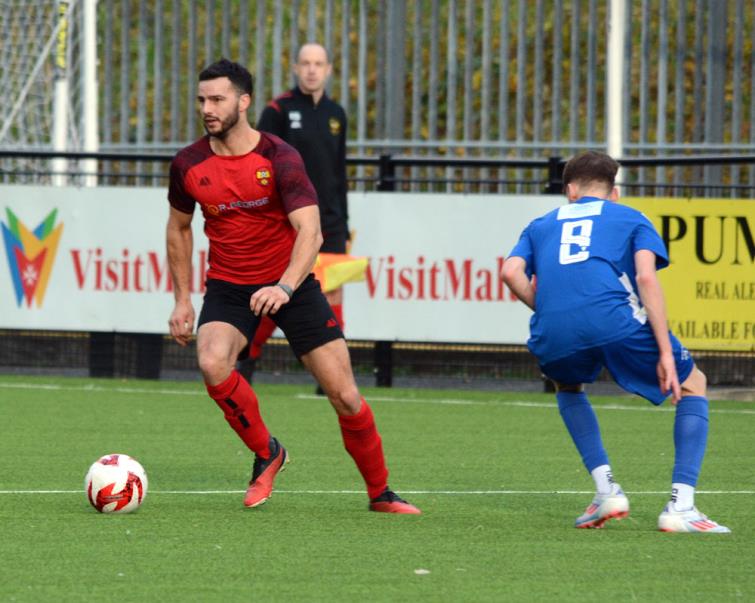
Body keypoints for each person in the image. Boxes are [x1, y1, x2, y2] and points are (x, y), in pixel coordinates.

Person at [166, 58, 420, 515]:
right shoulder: (188, 163)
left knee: (344, 395)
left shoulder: (279, 157)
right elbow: (178, 228)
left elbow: (311, 232)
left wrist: (284, 287)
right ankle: (268, 453)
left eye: (218, 99)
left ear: (244, 102)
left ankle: (381, 492)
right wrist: (182, 299)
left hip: (293, 285)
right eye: (202, 99)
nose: (207, 108)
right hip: (229, 286)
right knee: (211, 361)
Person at [501, 151, 730, 533]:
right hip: (614, 321)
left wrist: (547, 309)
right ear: (614, 192)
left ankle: (606, 490)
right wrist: (665, 353)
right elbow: (646, 279)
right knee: (693, 384)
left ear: (570, 191)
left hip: (552, 328)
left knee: (567, 385)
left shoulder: (540, 224)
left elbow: (510, 272)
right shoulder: (631, 217)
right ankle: (682, 507)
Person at [237, 42, 348, 385]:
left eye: (318, 63)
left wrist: (343, 224)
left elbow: (339, 173)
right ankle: (248, 355)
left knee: (333, 296)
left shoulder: (336, 114)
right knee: (281, 294)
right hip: (289, 222)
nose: (312, 69)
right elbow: (259, 167)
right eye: (306, 63)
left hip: (329, 223)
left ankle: (332, 378)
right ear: (296, 68)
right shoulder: (278, 110)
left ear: (328, 69)